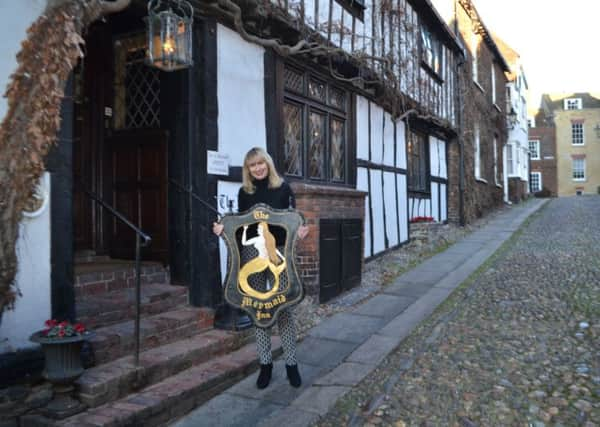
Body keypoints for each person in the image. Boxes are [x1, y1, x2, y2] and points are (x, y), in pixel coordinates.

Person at [213, 147, 308, 389]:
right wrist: (224, 230)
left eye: (260, 163)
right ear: (248, 169)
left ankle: (291, 364)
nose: (257, 168)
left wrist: (302, 232)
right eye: (252, 165)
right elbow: (242, 228)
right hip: (253, 254)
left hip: (279, 254)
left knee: (283, 308)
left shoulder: (283, 189)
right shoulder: (245, 192)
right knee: (259, 310)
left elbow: (293, 221)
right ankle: (265, 365)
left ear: (268, 163)